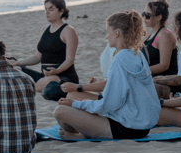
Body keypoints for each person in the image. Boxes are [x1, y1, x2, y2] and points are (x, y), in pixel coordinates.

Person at [55, 11, 159, 140]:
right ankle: (86, 131)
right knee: (73, 96)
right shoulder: (136, 53)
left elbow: (108, 105)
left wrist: (76, 104)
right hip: (141, 124)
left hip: (128, 127)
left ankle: (83, 136)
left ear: (117, 33)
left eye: (107, 32)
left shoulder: (119, 60)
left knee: (60, 111)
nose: (106, 37)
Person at [10, 0, 79, 93]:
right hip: (44, 77)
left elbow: (70, 60)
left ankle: (28, 89)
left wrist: (57, 71)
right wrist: (17, 63)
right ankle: (31, 87)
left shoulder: (68, 30)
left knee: (50, 81)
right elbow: (38, 57)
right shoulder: (44, 30)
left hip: (62, 78)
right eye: (45, 9)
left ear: (61, 11)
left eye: (51, 9)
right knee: (16, 69)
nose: (47, 12)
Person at [153, 8, 181, 95]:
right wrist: (160, 78)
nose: (174, 29)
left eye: (176, 25)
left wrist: (158, 80)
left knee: (148, 88)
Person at [143, 0, 178, 77]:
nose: (144, 18)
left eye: (148, 15)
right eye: (144, 14)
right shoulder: (152, 35)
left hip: (164, 82)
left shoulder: (165, 35)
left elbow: (164, 65)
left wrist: (141, 71)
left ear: (159, 17)